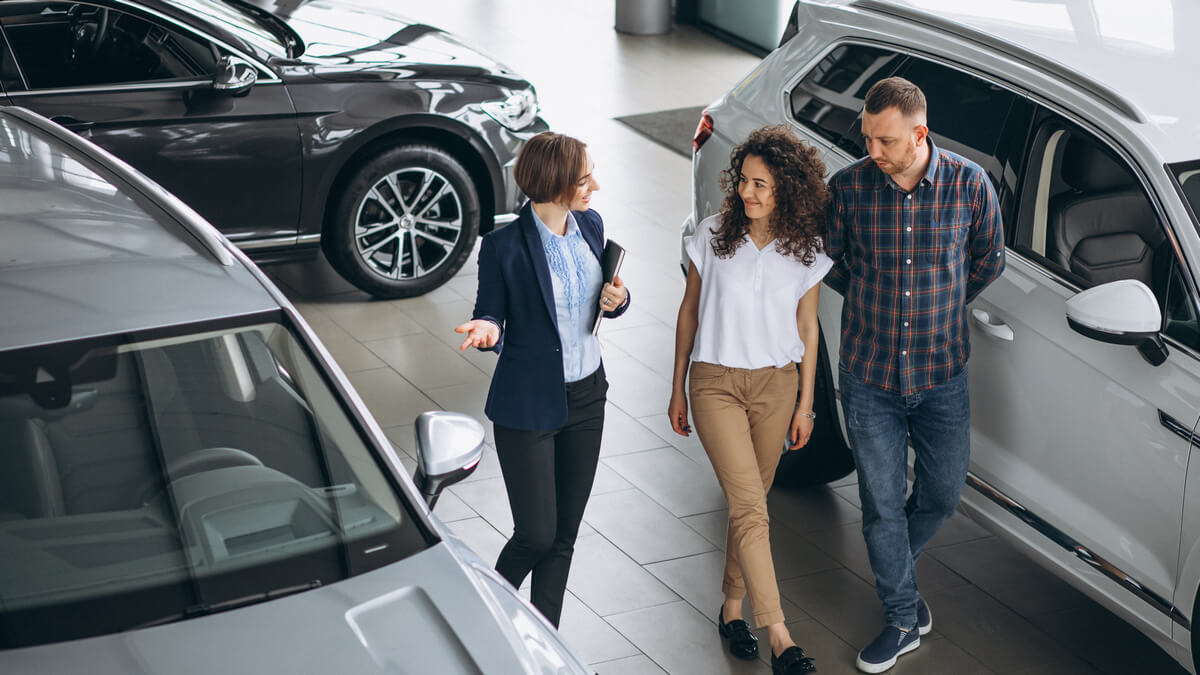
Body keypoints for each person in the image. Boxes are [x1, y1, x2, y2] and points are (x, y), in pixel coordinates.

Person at [824, 77, 1005, 673]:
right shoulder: (848, 188)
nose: (872, 150)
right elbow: (836, 262)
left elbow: (989, 257)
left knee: (943, 493)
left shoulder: (969, 185)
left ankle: (895, 569)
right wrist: (880, 300)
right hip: (869, 372)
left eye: (885, 140)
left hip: (942, 372)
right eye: (867, 137)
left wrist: (944, 305)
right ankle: (901, 618)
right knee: (880, 504)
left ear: (919, 133)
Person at [669, 125, 829, 675]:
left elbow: (808, 330)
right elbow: (689, 312)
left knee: (751, 505)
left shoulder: (805, 250)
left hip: (777, 387)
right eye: (744, 181)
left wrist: (806, 404)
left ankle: (731, 610)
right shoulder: (714, 237)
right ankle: (780, 635)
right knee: (750, 508)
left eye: (762, 184)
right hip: (714, 382)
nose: (748, 192)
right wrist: (677, 387)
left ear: (788, 189)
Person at [454, 131, 629, 628]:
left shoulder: (591, 225)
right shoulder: (503, 246)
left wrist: (619, 301)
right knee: (536, 534)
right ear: (553, 183)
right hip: (528, 405)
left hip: (587, 396)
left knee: (563, 537)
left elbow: (606, 298)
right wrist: (487, 329)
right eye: (583, 178)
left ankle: (544, 638)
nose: (594, 185)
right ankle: (487, 621)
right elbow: (489, 311)